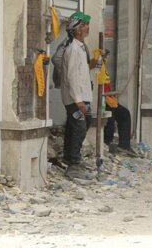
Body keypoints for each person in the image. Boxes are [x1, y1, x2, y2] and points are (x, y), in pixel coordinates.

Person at [60, 11, 95, 180]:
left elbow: (81, 73)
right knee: (78, 127)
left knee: (81, 124)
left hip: (82, 97)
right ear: (79, 29)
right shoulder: (73, 49)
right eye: (86, 25)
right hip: (76, 99)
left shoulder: (80, 48)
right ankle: (73, 165)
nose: (88, 28)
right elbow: (72, 76)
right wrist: (78, 100)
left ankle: (70, 157)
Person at [102, 82, 138, 157]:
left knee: (124, 113)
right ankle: (107, 143)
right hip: (100, 101)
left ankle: (124, 145)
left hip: (109, 100)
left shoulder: (103, 71)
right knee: (109, 119)